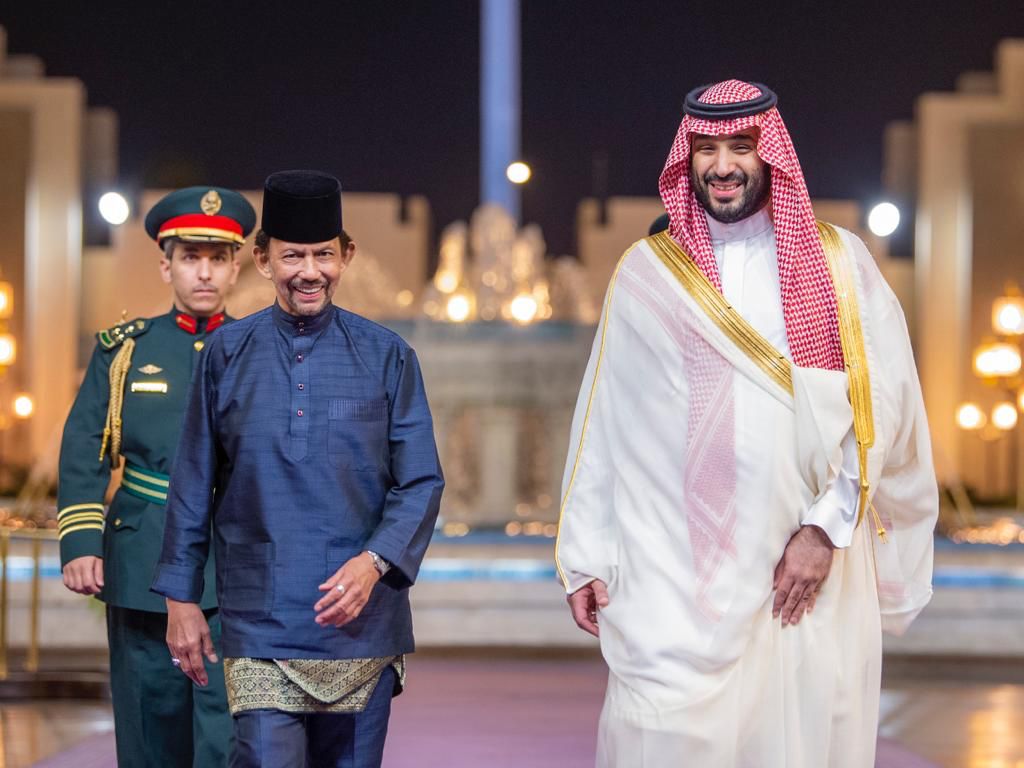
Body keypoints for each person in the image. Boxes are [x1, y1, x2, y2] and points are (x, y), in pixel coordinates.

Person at [555, 80, 938, 768]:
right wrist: (585, 553)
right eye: (705, 148)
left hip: (797, 570)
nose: (722, 165)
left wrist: (826, 530)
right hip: (668, 578)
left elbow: (880, 408)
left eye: (740, 146)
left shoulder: (838, 264)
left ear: (773, 155)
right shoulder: (646, 272)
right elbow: (605, 419)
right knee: (659, 735)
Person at [152, 170, 444, 768]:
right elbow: (192, 482)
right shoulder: (226, 355)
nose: (310, 271)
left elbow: (420, 481)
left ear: (347, 255)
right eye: (292, 256)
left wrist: (374, 562)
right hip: (261, 616)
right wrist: (181, 599)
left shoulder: (387, 356)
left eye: (323, 255)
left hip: (362, 617)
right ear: (262, 260)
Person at [58, 186, 255, 767]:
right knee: (149, 725)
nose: (204, 272)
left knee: (229, 733)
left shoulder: (257, 350)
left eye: (217, 258)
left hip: (233, 559)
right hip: (144, 554)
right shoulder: (124, 351)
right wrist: (81, 540)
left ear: (236, 267)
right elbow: (85, 444)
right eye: (190, 257)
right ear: (166, 265)